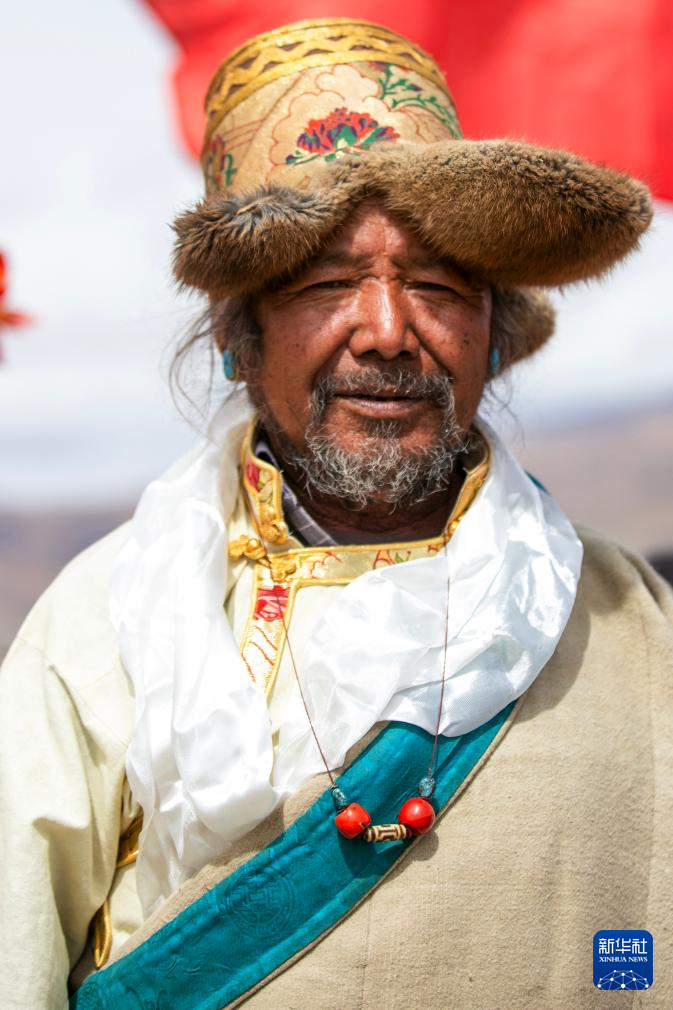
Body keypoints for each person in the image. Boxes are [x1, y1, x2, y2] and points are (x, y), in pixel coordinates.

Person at [1, 17, 671, 1010]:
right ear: (236, 335)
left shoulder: (629, 623)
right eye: (325, 285)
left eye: (436, 285)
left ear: (492, 332)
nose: (388, 332)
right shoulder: (104, 627)